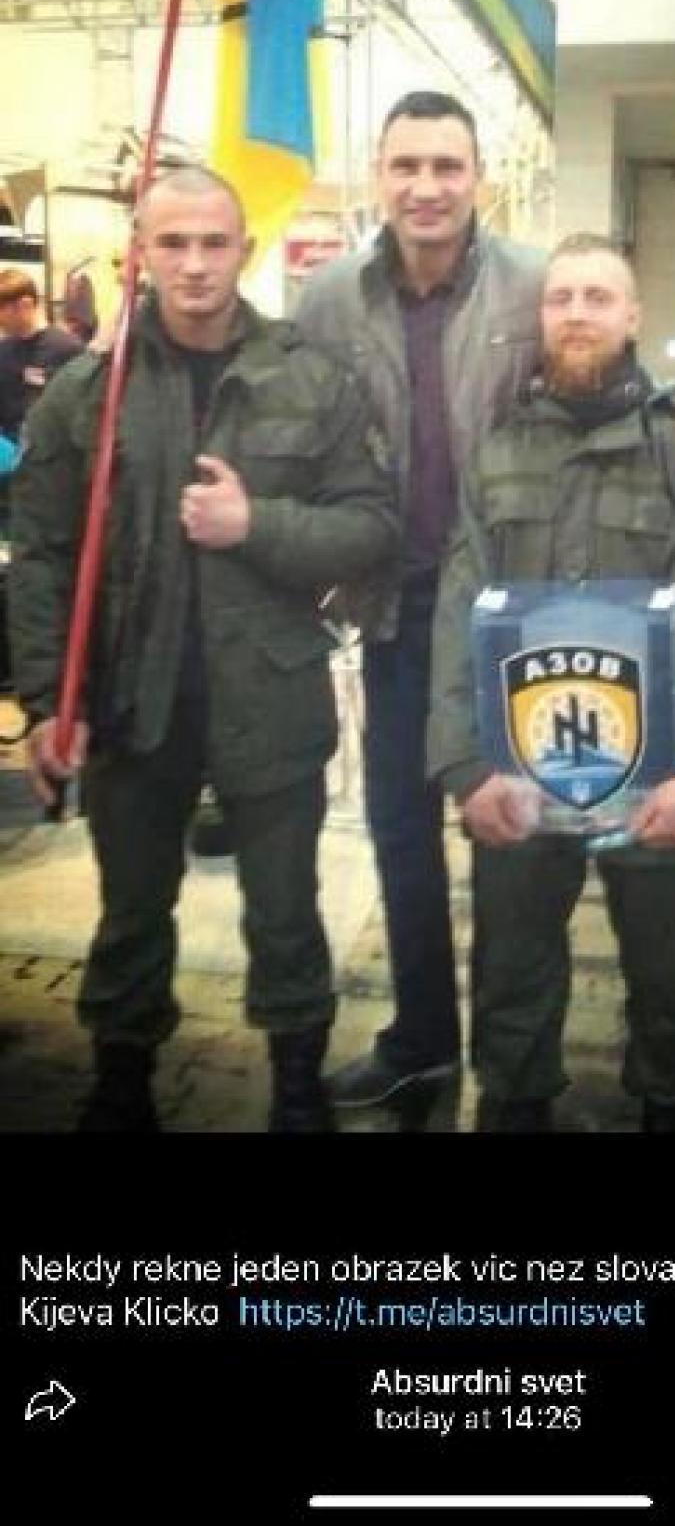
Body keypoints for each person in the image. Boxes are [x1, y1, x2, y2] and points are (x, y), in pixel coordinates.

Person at [8, 167, 399, 1133]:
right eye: (171, 243)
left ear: (245, 252)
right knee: (131, 912)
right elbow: (43, 557)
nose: (192, 264)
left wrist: (255, 524)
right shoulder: (85, 395)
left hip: (270, 696)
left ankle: (297, 1083)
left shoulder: (310, 380)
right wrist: (48, 702)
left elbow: (370, 527)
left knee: (286, 911)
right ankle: (122, 1081)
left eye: (213, 243)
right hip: (131, 702)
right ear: (139, 254)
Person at [426, 234, 675, 1133]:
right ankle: (516, 1100)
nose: (577, 313)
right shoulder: (496, 449)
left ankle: (666, 1102)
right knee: (512, 966)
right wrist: (463, 769)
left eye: (598, 297)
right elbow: (457, 614)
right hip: (517, 775)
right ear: (540, 315)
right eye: (561, 297)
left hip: (658, 776)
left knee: (662, 970)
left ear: (633, 315)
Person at [295, 91, 545, 1109]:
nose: (426, 186)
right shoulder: (328, 300)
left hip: (510, 617)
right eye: (407, 166)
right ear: (379, 175)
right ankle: (424, 1039)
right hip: (394, 612)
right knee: (401, 831)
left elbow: (603, 378)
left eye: (447, 166)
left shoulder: (535, 286)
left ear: (477, 176)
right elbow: (288, 420)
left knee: (511, 842)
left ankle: (512, 1059)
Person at [0, 267, 83, 442]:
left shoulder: (68, 349)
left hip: (47, 451)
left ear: (25, 305)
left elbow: (79, 413)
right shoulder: (3, 350)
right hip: (9, 448)